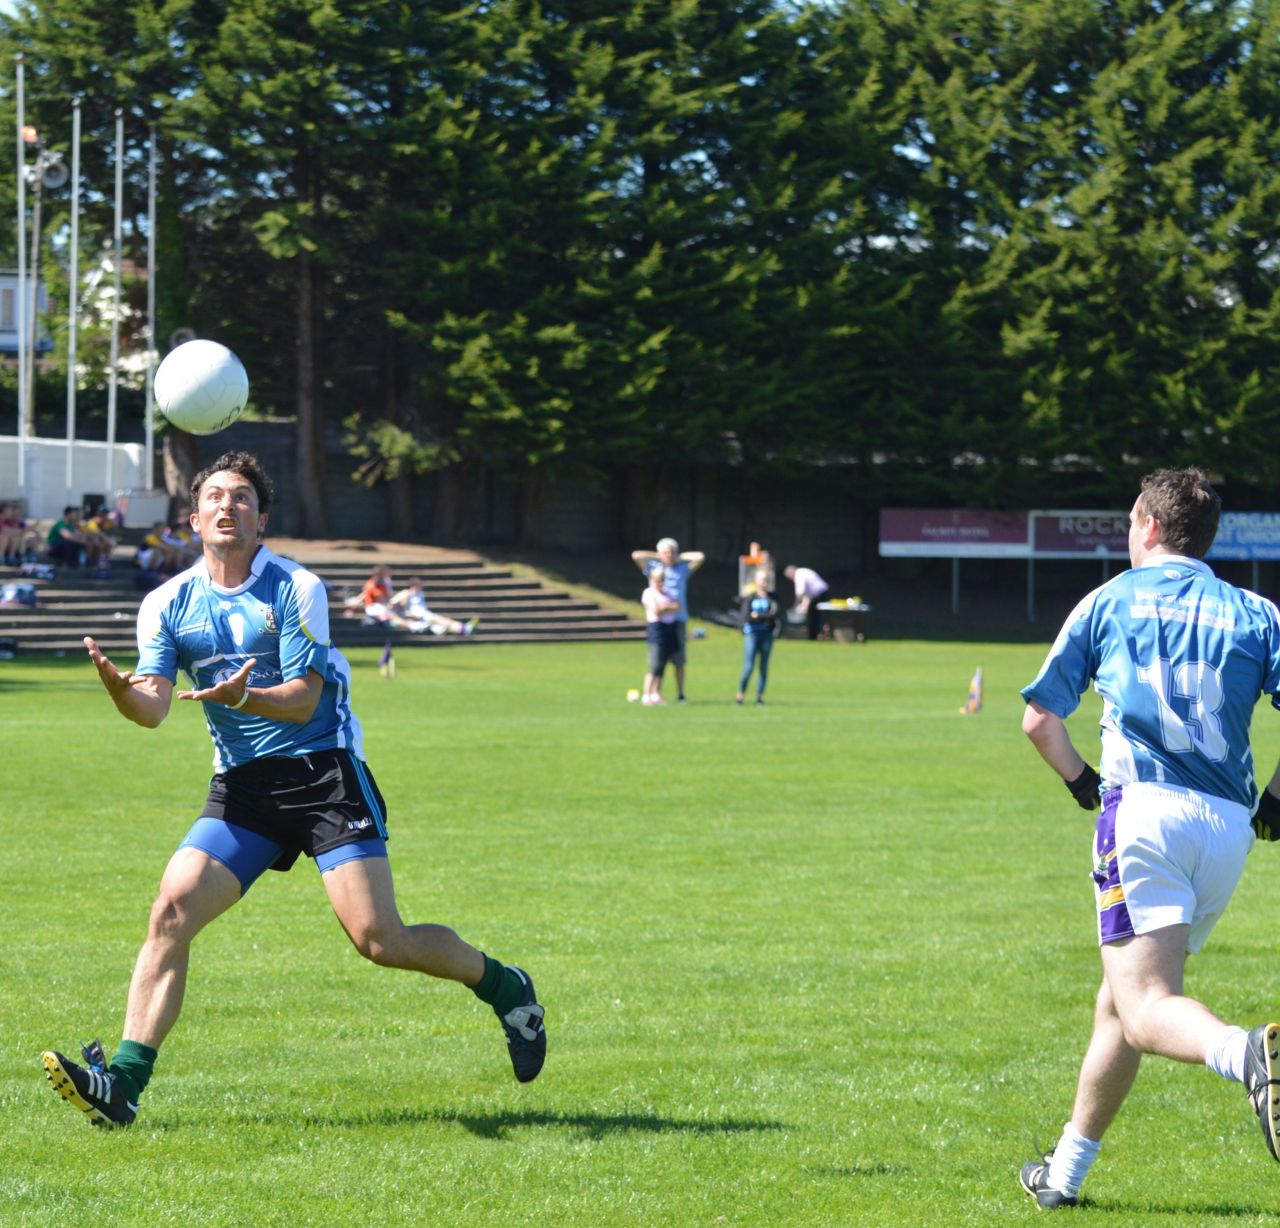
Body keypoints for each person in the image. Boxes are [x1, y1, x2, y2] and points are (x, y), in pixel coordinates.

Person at [42, 450, 546, 1129]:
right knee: (171, 912)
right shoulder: (167, 603)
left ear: (262, 518)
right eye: (215, 496)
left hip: (325, 774)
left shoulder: (293, 587)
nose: (228, 506)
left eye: (243, 497)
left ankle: (506, 987)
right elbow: (154, 708)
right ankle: (125, 1085)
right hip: (245, 787)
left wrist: (243, 694)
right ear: (194, 520)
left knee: (379, 939)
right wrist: (118, 693)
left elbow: (307, 700)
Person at [1018, 467, 1280, 1209]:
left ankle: (1249, 1058)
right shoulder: (1256, 611)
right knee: (1122, 1001)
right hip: (1227, 830)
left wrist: (1082, 786)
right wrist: (1277, 801)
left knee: (1145, 1003)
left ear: (1150, 528)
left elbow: (1040, 719)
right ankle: (1063, 1175)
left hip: (1145, 815)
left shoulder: (1110, 600)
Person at [630, 537, 704, 701]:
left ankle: (680, 694)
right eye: (666, 551)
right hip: (659, 623)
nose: (669, 555)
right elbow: (636, 555)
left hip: (678, 620)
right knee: (658, 661)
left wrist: (677, 557)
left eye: (671, 551)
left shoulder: (681, 568)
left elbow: (700, 557)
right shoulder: (654, 568)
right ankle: (654, 693)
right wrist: (659, 556)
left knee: (679, 660)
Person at [736, 568, 779, 706]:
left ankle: (759, 697)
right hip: (752, 634)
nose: (763, 582)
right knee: (748, 667)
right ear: (756, 581)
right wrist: (761, 618)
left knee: (764, 667)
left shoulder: (772, 597)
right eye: (761, 579)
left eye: (766, 580)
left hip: (766, 635)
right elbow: (746, 616)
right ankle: (740, 695)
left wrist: (758, 616)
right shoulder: (750, 597)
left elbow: (774, 614)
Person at [640, 564, 681, 705]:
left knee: (663, 664)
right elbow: (656, 611)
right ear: (652, 580)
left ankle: (656, 693)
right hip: (657, 629)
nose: (660, 582)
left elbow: (678, 607)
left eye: (662, 579)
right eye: (657, 580)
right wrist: (668, 607)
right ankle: (647, 694)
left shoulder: (667, 592)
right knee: (655, 665)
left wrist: (666, 607)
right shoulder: (648, 593)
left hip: (670, 628)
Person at [388, 577, 478, 636]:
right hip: (418, 615)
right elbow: (392, 603)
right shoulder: (406, 593)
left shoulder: (421, 594)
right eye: (418, 585)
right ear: (413, 585)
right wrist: (405, 612)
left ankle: (464, 629)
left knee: (445, 622)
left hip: (424, 614)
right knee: (444, 622)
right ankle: (464, 629)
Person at [784, 564, 829, 640]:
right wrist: (804, 604)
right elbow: (808, 594)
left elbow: (800, 593)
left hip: (820, 595)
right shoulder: (803, 572)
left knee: (815, 616)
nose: (791, 580)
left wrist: (795, 606)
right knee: (814, 615)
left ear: (791, 573)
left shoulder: (799, 575)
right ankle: (814, 635)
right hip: (819, 594)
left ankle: (814, 636)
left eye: (789, 578)